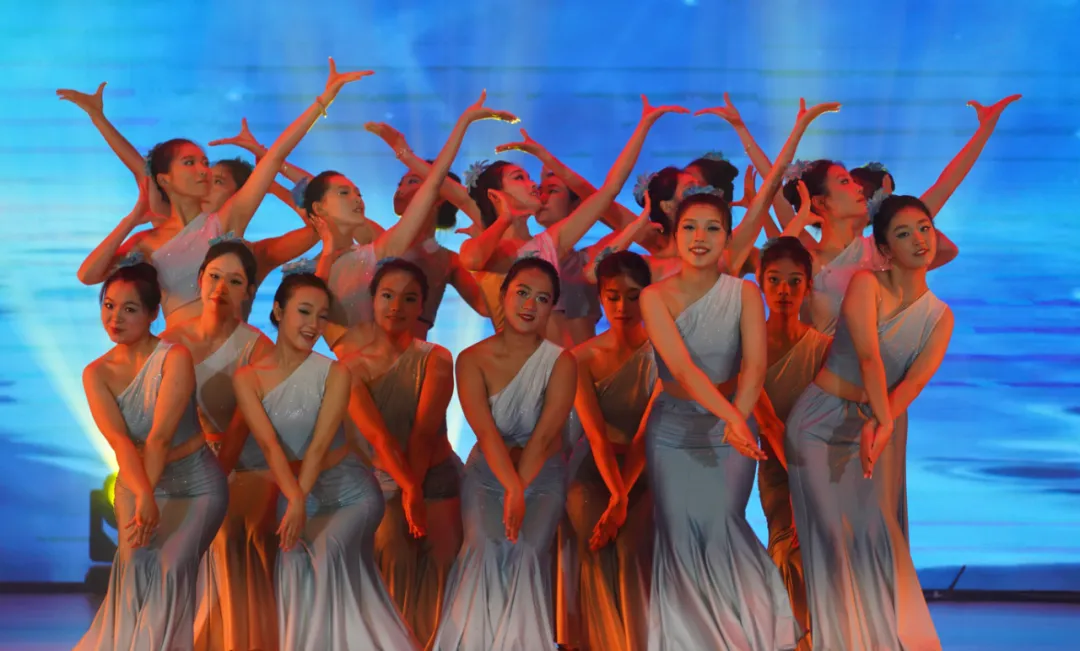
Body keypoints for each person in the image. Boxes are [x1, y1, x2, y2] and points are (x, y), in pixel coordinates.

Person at [785, 195, 953, 650]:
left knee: (875, 539)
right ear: (883, 248)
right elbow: (868, 358)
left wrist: (880, 425)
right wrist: (882, 422)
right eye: (903, 233)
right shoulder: (866, 284)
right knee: (832, 543)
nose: (919, 240)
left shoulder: (940, 316)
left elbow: (913, 382)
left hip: (874, 426)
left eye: (924, 228)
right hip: (819, 425)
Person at [232, 270, 419, 650]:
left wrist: (297, 499)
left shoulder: (335, 372)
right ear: (278, 311)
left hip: (350, 493)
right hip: (297, 492)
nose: (313, 325)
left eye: (321, 316)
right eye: (304, 312)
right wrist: (296, 499)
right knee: (291, 561)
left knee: (325, 554)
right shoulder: (248, 378)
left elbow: (319, 446)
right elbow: (269, 445)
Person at [76, 261, 227, 650]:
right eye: (109, 306)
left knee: (171, 569)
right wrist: (143, 495)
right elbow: (121, 442)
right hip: (136, 482)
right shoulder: (96, 373)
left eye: (129, 309)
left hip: (195, 485)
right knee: (135, 572)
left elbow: (159, 437)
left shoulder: (174, 357)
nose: (115, 318)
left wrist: (148, 496)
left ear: (152, 313)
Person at [430, 258, 577, 650]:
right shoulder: (471, 359)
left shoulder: (561, 362)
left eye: (542, 298)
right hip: (487, 475)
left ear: (552, 307)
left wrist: (521, 486)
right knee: (484, 549)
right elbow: (485, 431)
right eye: (522, 293)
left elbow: (545, 437)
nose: (530, 305)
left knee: (526, 553)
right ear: (504, 294)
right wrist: (510, 487)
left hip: (542, 476)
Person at [160, 241, 276, 651]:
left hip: (243, 468)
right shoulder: (170, 342)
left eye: (235, 281)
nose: (221, 288)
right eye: (214, 277)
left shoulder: (257, 347)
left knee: (227, 546)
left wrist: (213, 478)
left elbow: (248, 426)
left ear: (249, 291)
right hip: (188, 464)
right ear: (200, 279)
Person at [563, 251, 657, 651]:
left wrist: (624, 497)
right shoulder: (580, 358)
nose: (621, 307)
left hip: (648, 469)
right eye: (612, 297)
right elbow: (596, 435)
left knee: (634, 550)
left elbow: (646, 434)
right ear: (600, 297)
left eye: (633, 296)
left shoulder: (665, 352)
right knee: (593, 549)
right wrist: (616, 496)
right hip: (593, 472)